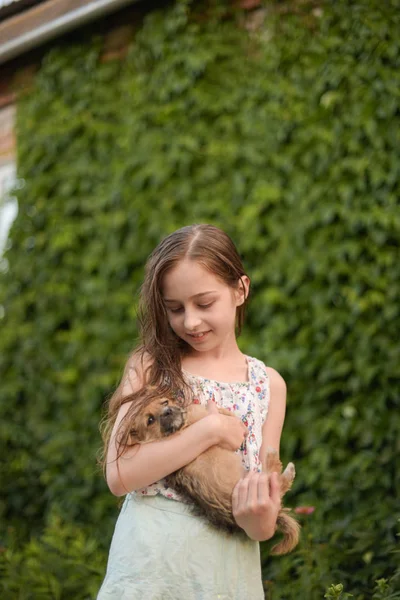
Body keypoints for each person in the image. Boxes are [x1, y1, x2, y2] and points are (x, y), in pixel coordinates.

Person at [97, 224, 287, 600]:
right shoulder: (151, 365)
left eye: (204, 304)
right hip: (148, 565)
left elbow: (263, 517)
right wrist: (211, 430)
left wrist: (260, 518)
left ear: (240, 290)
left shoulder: (268, 385)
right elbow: (119, 475)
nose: (191, 321)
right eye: (174, 309)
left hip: (225, 570)